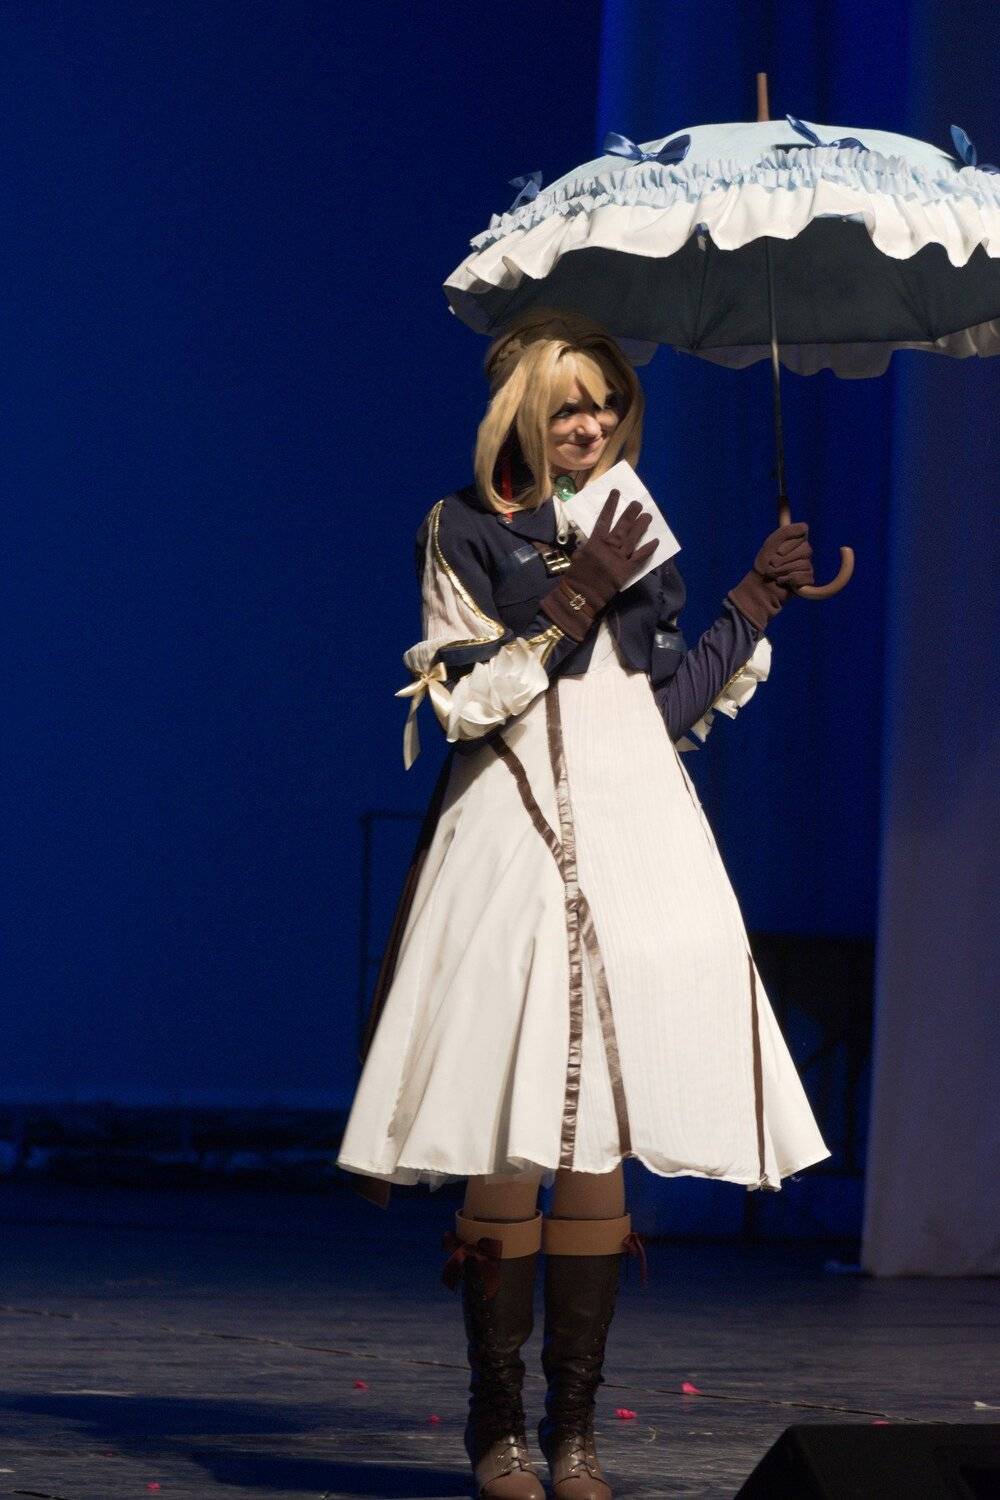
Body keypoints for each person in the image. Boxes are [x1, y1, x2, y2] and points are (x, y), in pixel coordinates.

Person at [336, 309, 830, 1500]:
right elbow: (465, 704)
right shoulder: (463, 527)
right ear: (522, 413)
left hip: (634, 836)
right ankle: (497, 1423)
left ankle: (573, 1430)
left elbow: (659, 709)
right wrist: (571, 597)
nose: (591, 423)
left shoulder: (633, 525)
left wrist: (751, 603)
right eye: (568, 406)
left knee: (602, 1126)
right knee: (512, 1117)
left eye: (606, 404)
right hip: (513, 835)